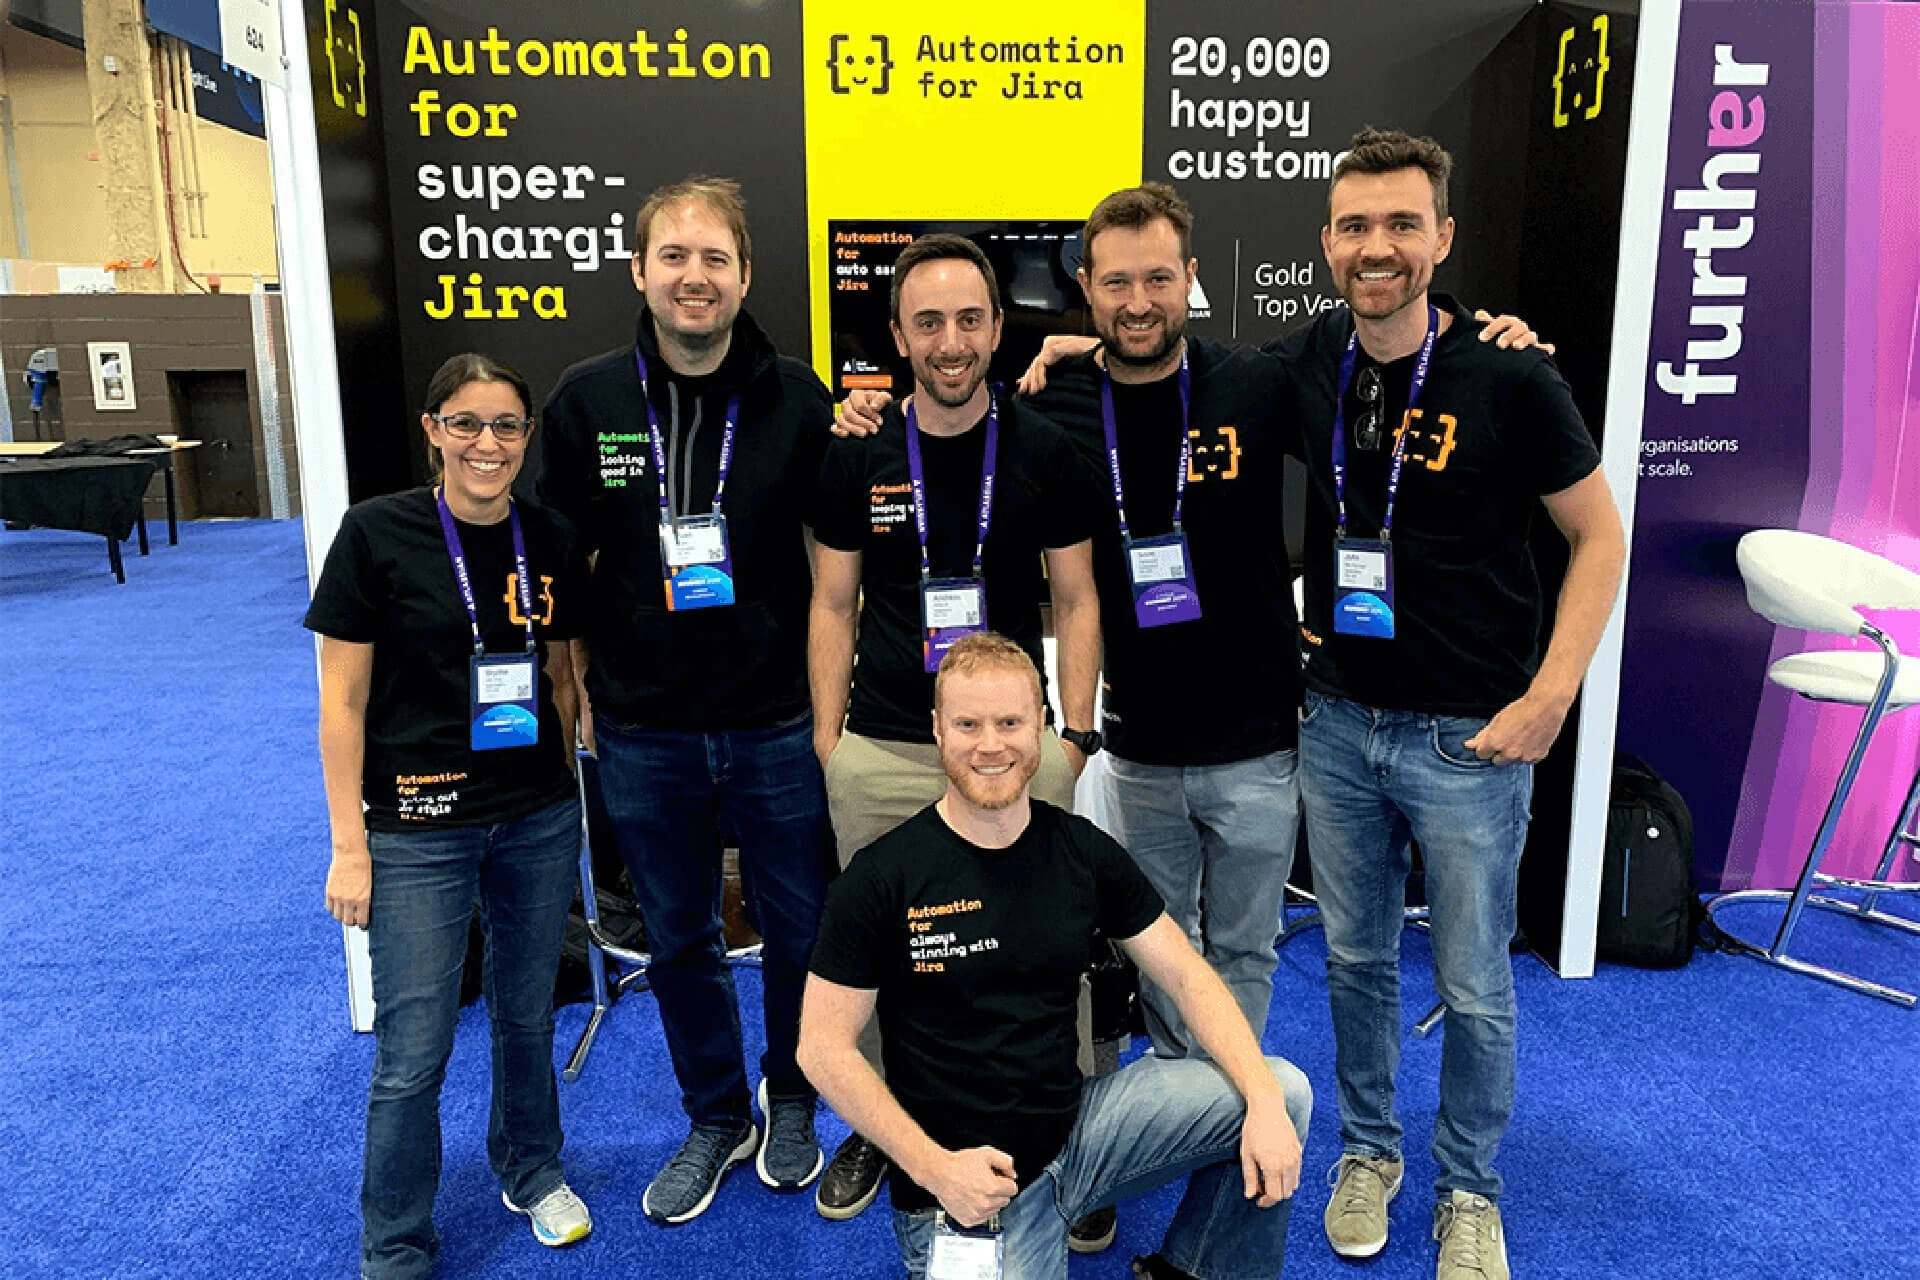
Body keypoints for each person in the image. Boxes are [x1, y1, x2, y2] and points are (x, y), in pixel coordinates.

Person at [836, 187, 1543, 1069]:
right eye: (1118, 283)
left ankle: (1226, 1106)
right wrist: (862, 410)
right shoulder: (1049, 404)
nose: (1139, 302)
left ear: (1191, 281)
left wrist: (1483, 331)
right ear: (1086, 291)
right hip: (1140, 751)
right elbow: (949, 433)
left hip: (1258, 742)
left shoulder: (1260, 381)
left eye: (1159, 279)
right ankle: (1182, 1099)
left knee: (1245, 950)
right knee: (1155, 948)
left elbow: (1392, 359)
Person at [1290, 129, 1625, 1280]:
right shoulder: (1309, 361)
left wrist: (1550, 696)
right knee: (1354, 961)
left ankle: (1469, 1188)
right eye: (1353, 226)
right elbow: (1163, 367)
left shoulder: (1511, 373)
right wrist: (1066, 345)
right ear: (1328, 242)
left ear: (1441, 237)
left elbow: (1598, 537)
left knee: (1477, 986)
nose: (1375, 247)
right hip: (1337, 719)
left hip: (1471, 737)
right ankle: (1371, 1151)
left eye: (1399, 224)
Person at [798, 633, 1313, 1280]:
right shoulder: (883, 878)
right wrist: (934, 1168)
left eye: (1010, 722)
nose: (991, 745)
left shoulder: (1080, 851)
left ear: (1040, 725)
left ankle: (1196, 1269)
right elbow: (821, 1047)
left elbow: (1185, 974)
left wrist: (1261, 1101)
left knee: (1282, 1092)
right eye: (968, 724)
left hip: (1076, 1136)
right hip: (964, 1191)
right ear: (937, 730)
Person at [537, 176, 833, 1224]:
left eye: (715, 258)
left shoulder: (799, 398)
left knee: (800, 928)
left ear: (746, 275)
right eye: (675, 257)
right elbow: (557, 555)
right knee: (679, 936)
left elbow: (830, 563)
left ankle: (791, 1093)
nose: (694, 276)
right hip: (643, 723)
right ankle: (716, 1114)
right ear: (641, 272)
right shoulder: (588, 401)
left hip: (773, 719)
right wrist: (570, 675)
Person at [806, 233, 1105, 1224]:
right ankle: (888, 1133)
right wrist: (827, 741)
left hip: (1017, 750)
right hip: (887, 746)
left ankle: (1065, 1145)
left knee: (1045, 946)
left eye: (969, 318)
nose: (949, 340)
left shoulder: (1046, 449)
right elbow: (833, 604)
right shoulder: (858, 451)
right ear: (896, 333)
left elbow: (1076, 598)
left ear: (996, 326)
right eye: (927, 321)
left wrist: (1075, 737)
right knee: (885, 956)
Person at [309, 353, 594, 1278]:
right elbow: (341, 703)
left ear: (527, 438)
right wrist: (349, 847)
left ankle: (532, 1168)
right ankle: (394, 1243)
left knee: (526, 1015)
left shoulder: (547, 536)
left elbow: (559, 670)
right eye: (466, 423)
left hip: (535, 816)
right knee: (414, 1047)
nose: (488, 443)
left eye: (507, 426)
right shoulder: (375, 535)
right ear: (433, 429)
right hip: (416, 826)